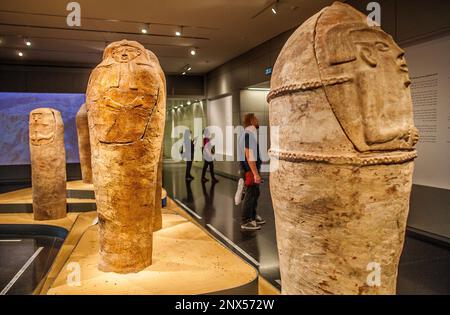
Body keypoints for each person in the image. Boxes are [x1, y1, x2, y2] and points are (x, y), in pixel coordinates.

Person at [239, 113, 265, 231]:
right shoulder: (248, 134)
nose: (257, 120)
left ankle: (253, 217)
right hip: (249, 171)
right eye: (256, 118)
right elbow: (249, 156)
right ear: (251, 120)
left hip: (250, 170)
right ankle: (246, 221)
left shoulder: (249, 134)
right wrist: (255, 174)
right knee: (250, 194)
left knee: (255, 193)